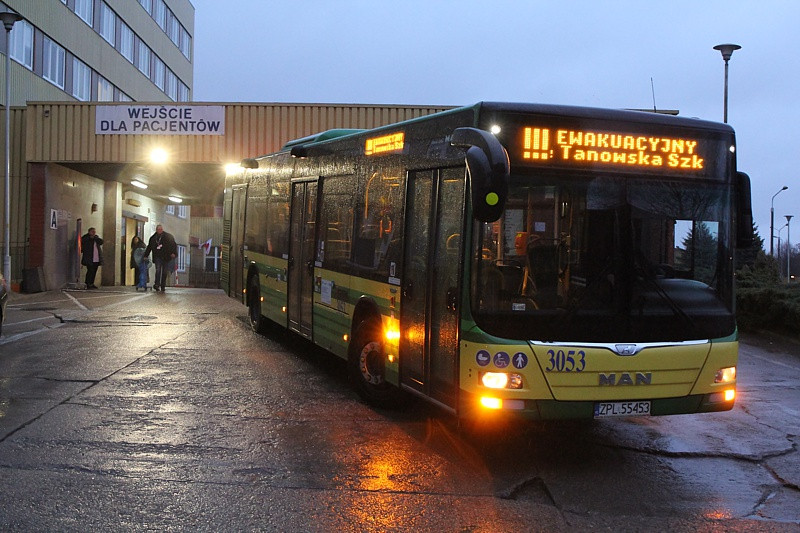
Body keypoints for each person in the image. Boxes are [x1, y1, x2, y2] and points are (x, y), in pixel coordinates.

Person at [144, 224, 177, 292]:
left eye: (161, 229)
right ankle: (157, 284)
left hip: (166, 257)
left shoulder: (168, 237)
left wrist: (174, 253)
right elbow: (149, 247)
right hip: (157, 257)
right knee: (158, 270)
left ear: (162, 229)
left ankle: (163, 285)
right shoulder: (153, 238)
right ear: (156, 230)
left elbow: (174, 245)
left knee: (164, 272)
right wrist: (145, 255)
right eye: (158, 229)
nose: (159, 231)